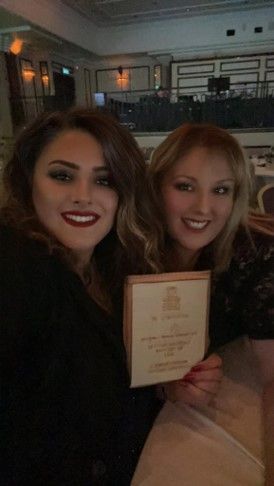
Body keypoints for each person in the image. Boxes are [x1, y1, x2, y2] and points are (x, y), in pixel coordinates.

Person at [0, 110, 221, 485]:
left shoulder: (112, 267)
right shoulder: (20, 264)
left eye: (104, 180)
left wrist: (165, 383)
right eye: (62, 176)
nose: (83, 197)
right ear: (27, 182)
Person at [146, 123, 274, 484]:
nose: (203, 207)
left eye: (221, 190)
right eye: (185, 186)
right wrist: (164, 385)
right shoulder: (128, 249)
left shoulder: (252, 256)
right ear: (156, 188)